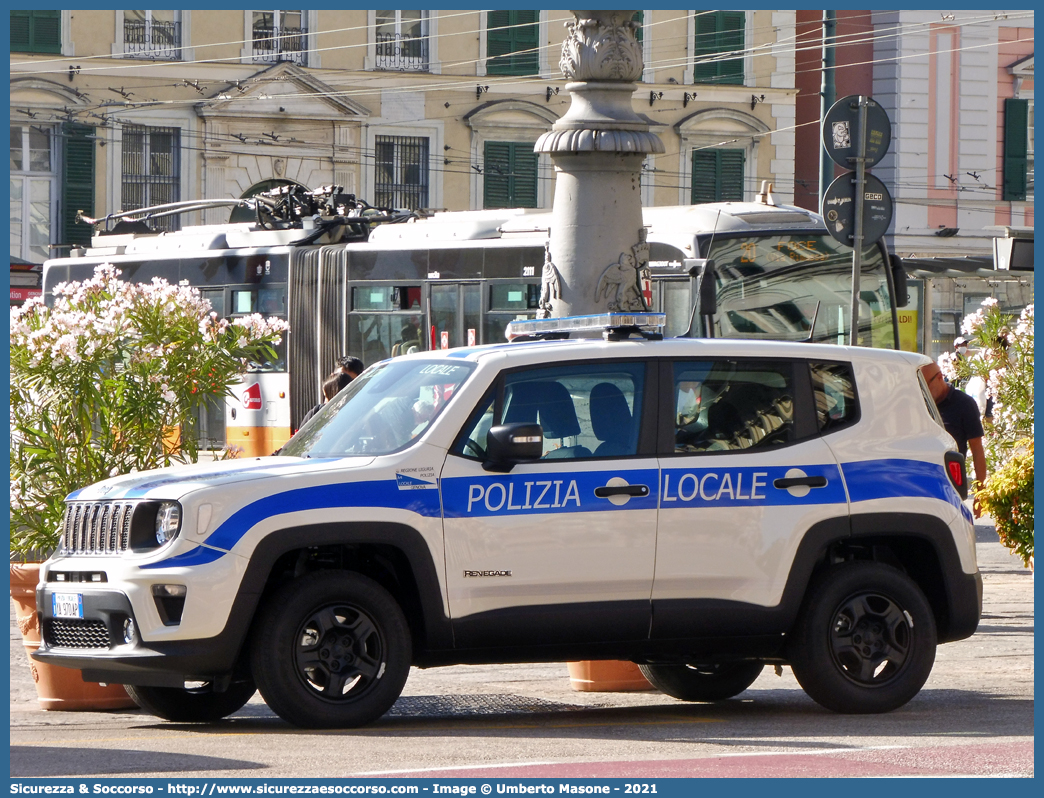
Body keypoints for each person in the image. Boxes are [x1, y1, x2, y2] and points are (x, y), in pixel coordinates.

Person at [920, 362, 986, 516]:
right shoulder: (920, 404)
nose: (924, 393)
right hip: (922, 483)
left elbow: (977, 450)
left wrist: (980, 493)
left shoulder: (964, 404)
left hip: (951, 486)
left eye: (926, 386)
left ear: (939, 377)